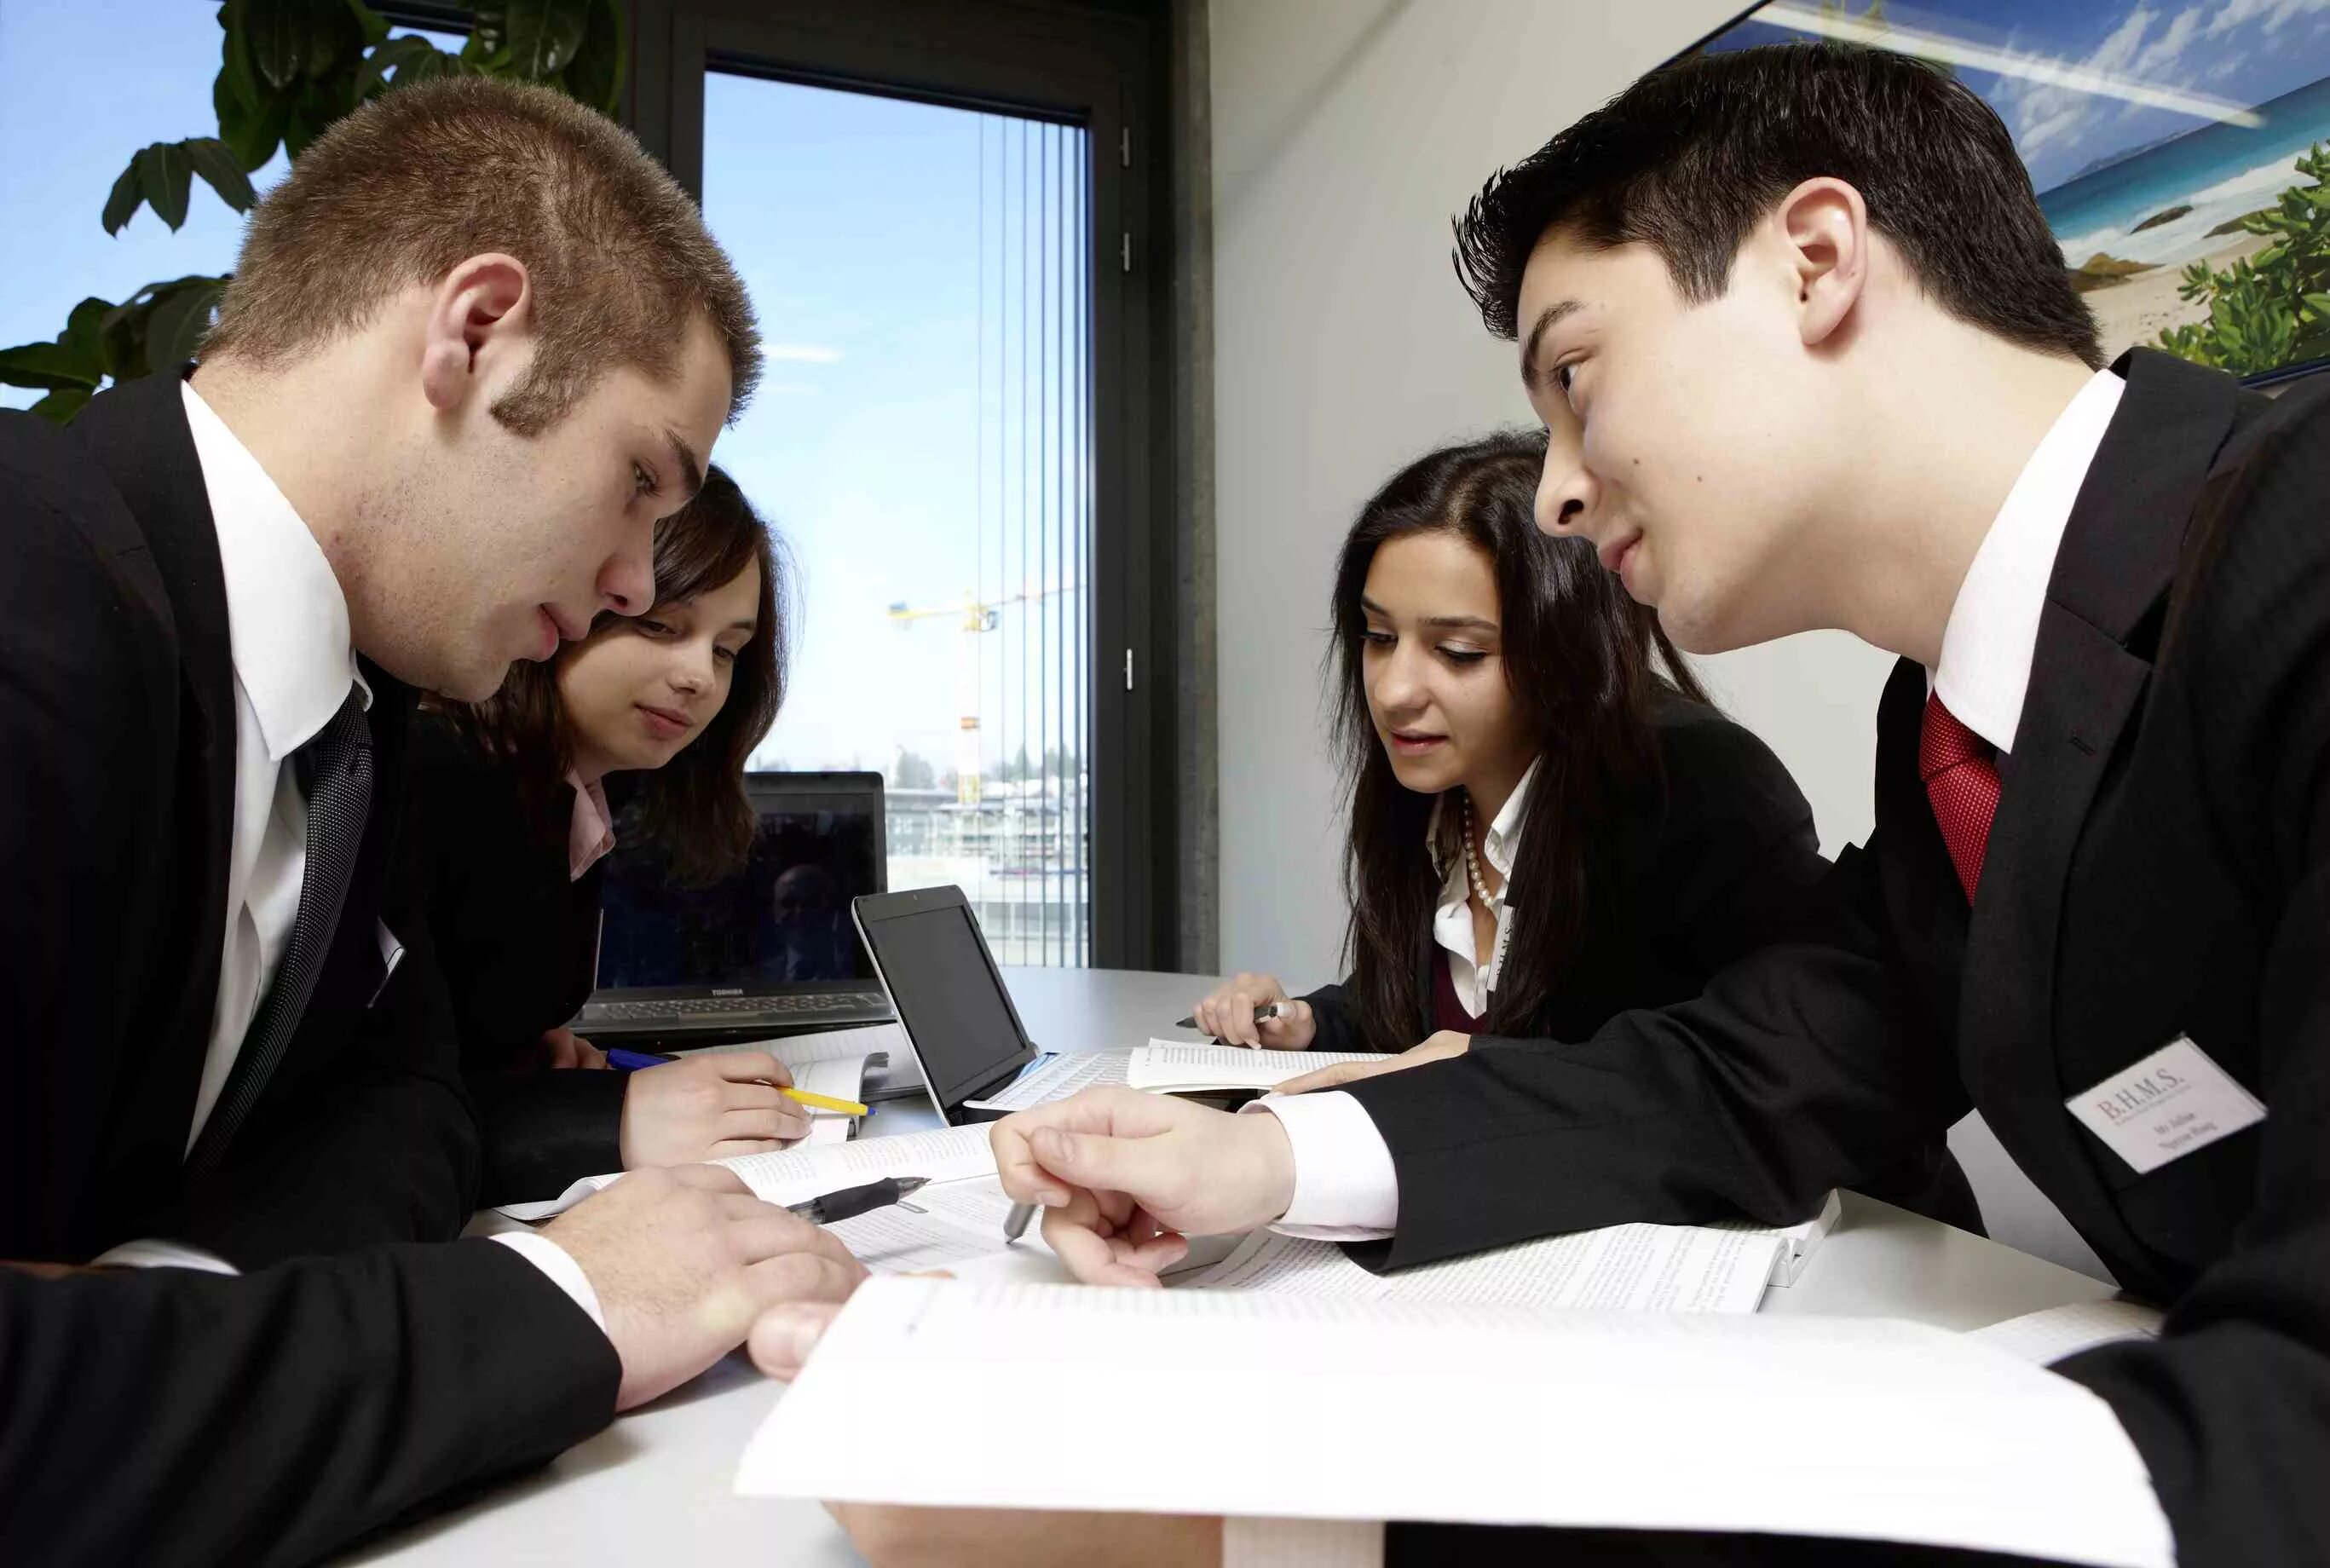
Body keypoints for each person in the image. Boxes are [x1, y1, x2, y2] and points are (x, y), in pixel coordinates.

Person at [791, 40, 2330, 1566]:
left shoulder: (2295, 553)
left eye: (1575, 379)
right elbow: (1741, 1073)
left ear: (1810, 259)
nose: (1555, 492)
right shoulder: (1944, 730)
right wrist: (1264, 1162)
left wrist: (1281, 1516)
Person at [0, 78, 863, 1565]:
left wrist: (174, 1320)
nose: (633, 590)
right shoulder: (27, 607)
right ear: (474, 333)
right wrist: (568, 1303)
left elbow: (405, 1108)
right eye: (640, 479)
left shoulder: (366, 722)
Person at [1189, 431, 1970, 1225]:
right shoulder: (1433, 785)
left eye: (1457, 652)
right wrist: (1318, 1019)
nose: (1394, 690)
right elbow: (1443, 1009)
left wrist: (1490, 1074)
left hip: (1835, 1250)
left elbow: (1791, 1076)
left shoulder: (1695, 785)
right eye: (1379, 636)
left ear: (1563, 650)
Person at [412, 464, 825, 1203]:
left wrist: (518, 1058)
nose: (699, 674)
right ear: (571, 602)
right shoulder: (435, 772)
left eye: (727, 650)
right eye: (663, 627)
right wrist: (617, 1119)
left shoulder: (581, 800)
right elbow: (369, 1124)